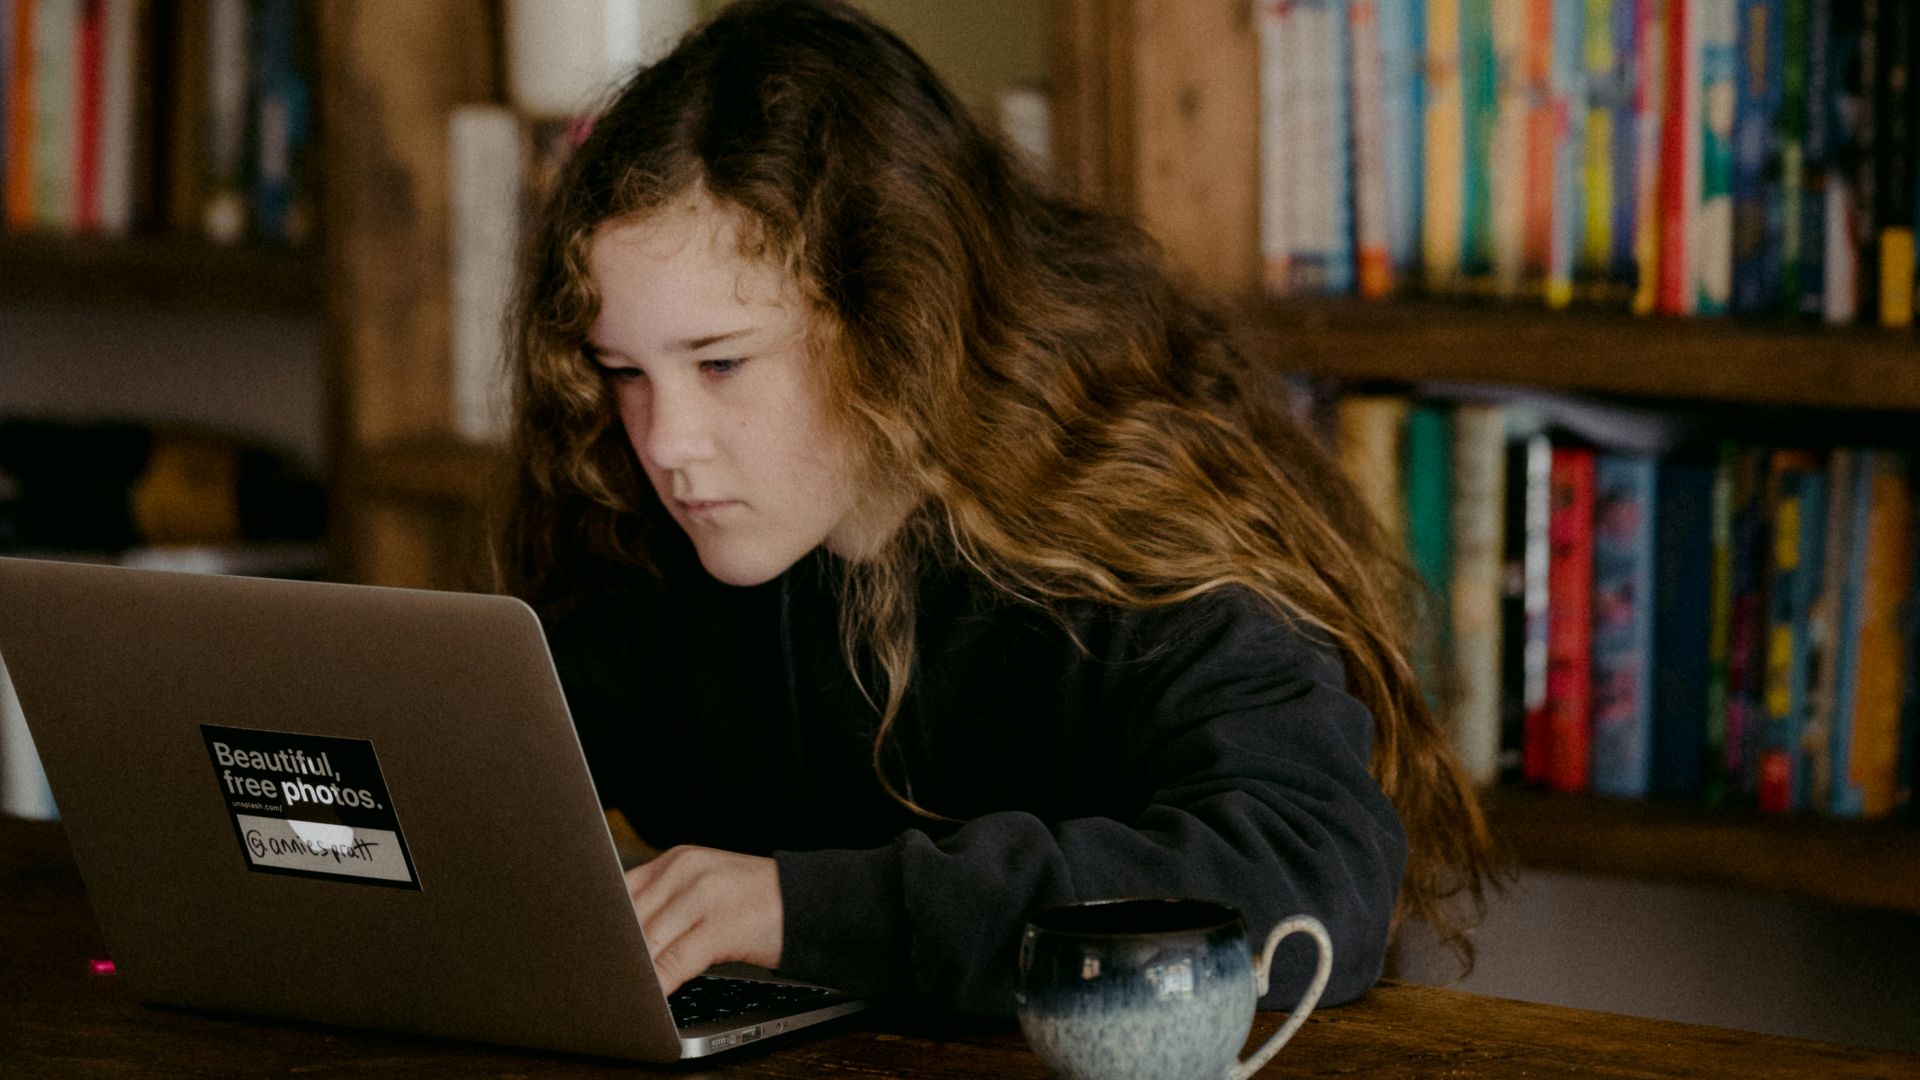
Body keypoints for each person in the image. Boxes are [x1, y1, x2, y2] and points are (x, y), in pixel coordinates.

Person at [499, 0, 1499, 1018]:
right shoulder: (639, 524)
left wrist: (795, 910)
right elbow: (487, 795)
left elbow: (1309, 880)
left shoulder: (1133, 516)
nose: (665, 440)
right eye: (622, 370)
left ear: (892, 314)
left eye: (721, 362)